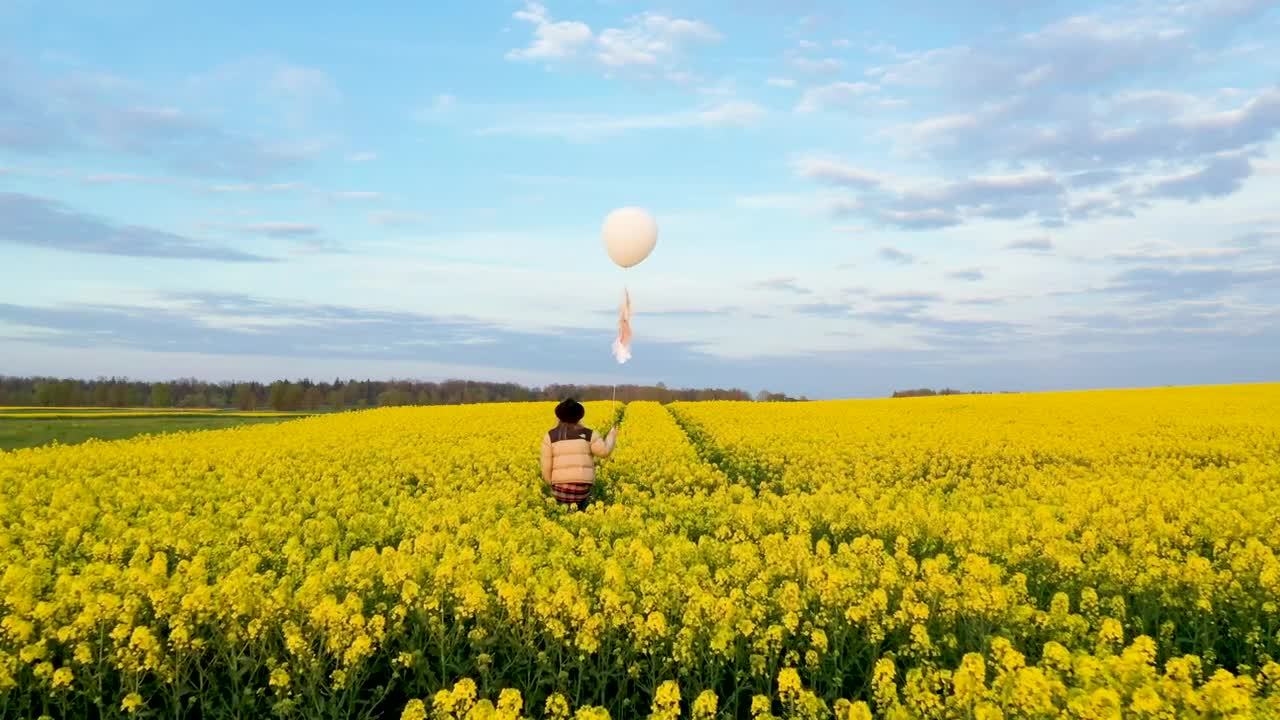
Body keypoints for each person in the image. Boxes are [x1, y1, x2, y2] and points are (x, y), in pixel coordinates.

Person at [540, 398, 618, 510]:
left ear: (559, 417)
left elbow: (546, 464)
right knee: (581, 510)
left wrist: (551, 483)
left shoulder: (551, 436)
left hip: (560, 488)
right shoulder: (588, 434)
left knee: (563, 512)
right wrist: (611, 436)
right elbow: (604, 452)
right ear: (579, 417)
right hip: (582, 488)